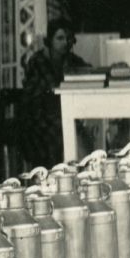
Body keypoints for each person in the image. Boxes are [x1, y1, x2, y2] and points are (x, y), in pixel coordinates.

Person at [15, 20, 88, 168]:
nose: (65, 42)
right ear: (49, 40)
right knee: (69, 131)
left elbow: (87, 70)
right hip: (37, 117)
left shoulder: (69, 59)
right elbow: (54, 86)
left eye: (68, 38)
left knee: (75, 128)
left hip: (57, 113)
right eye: (60, 38)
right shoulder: (38, 60)